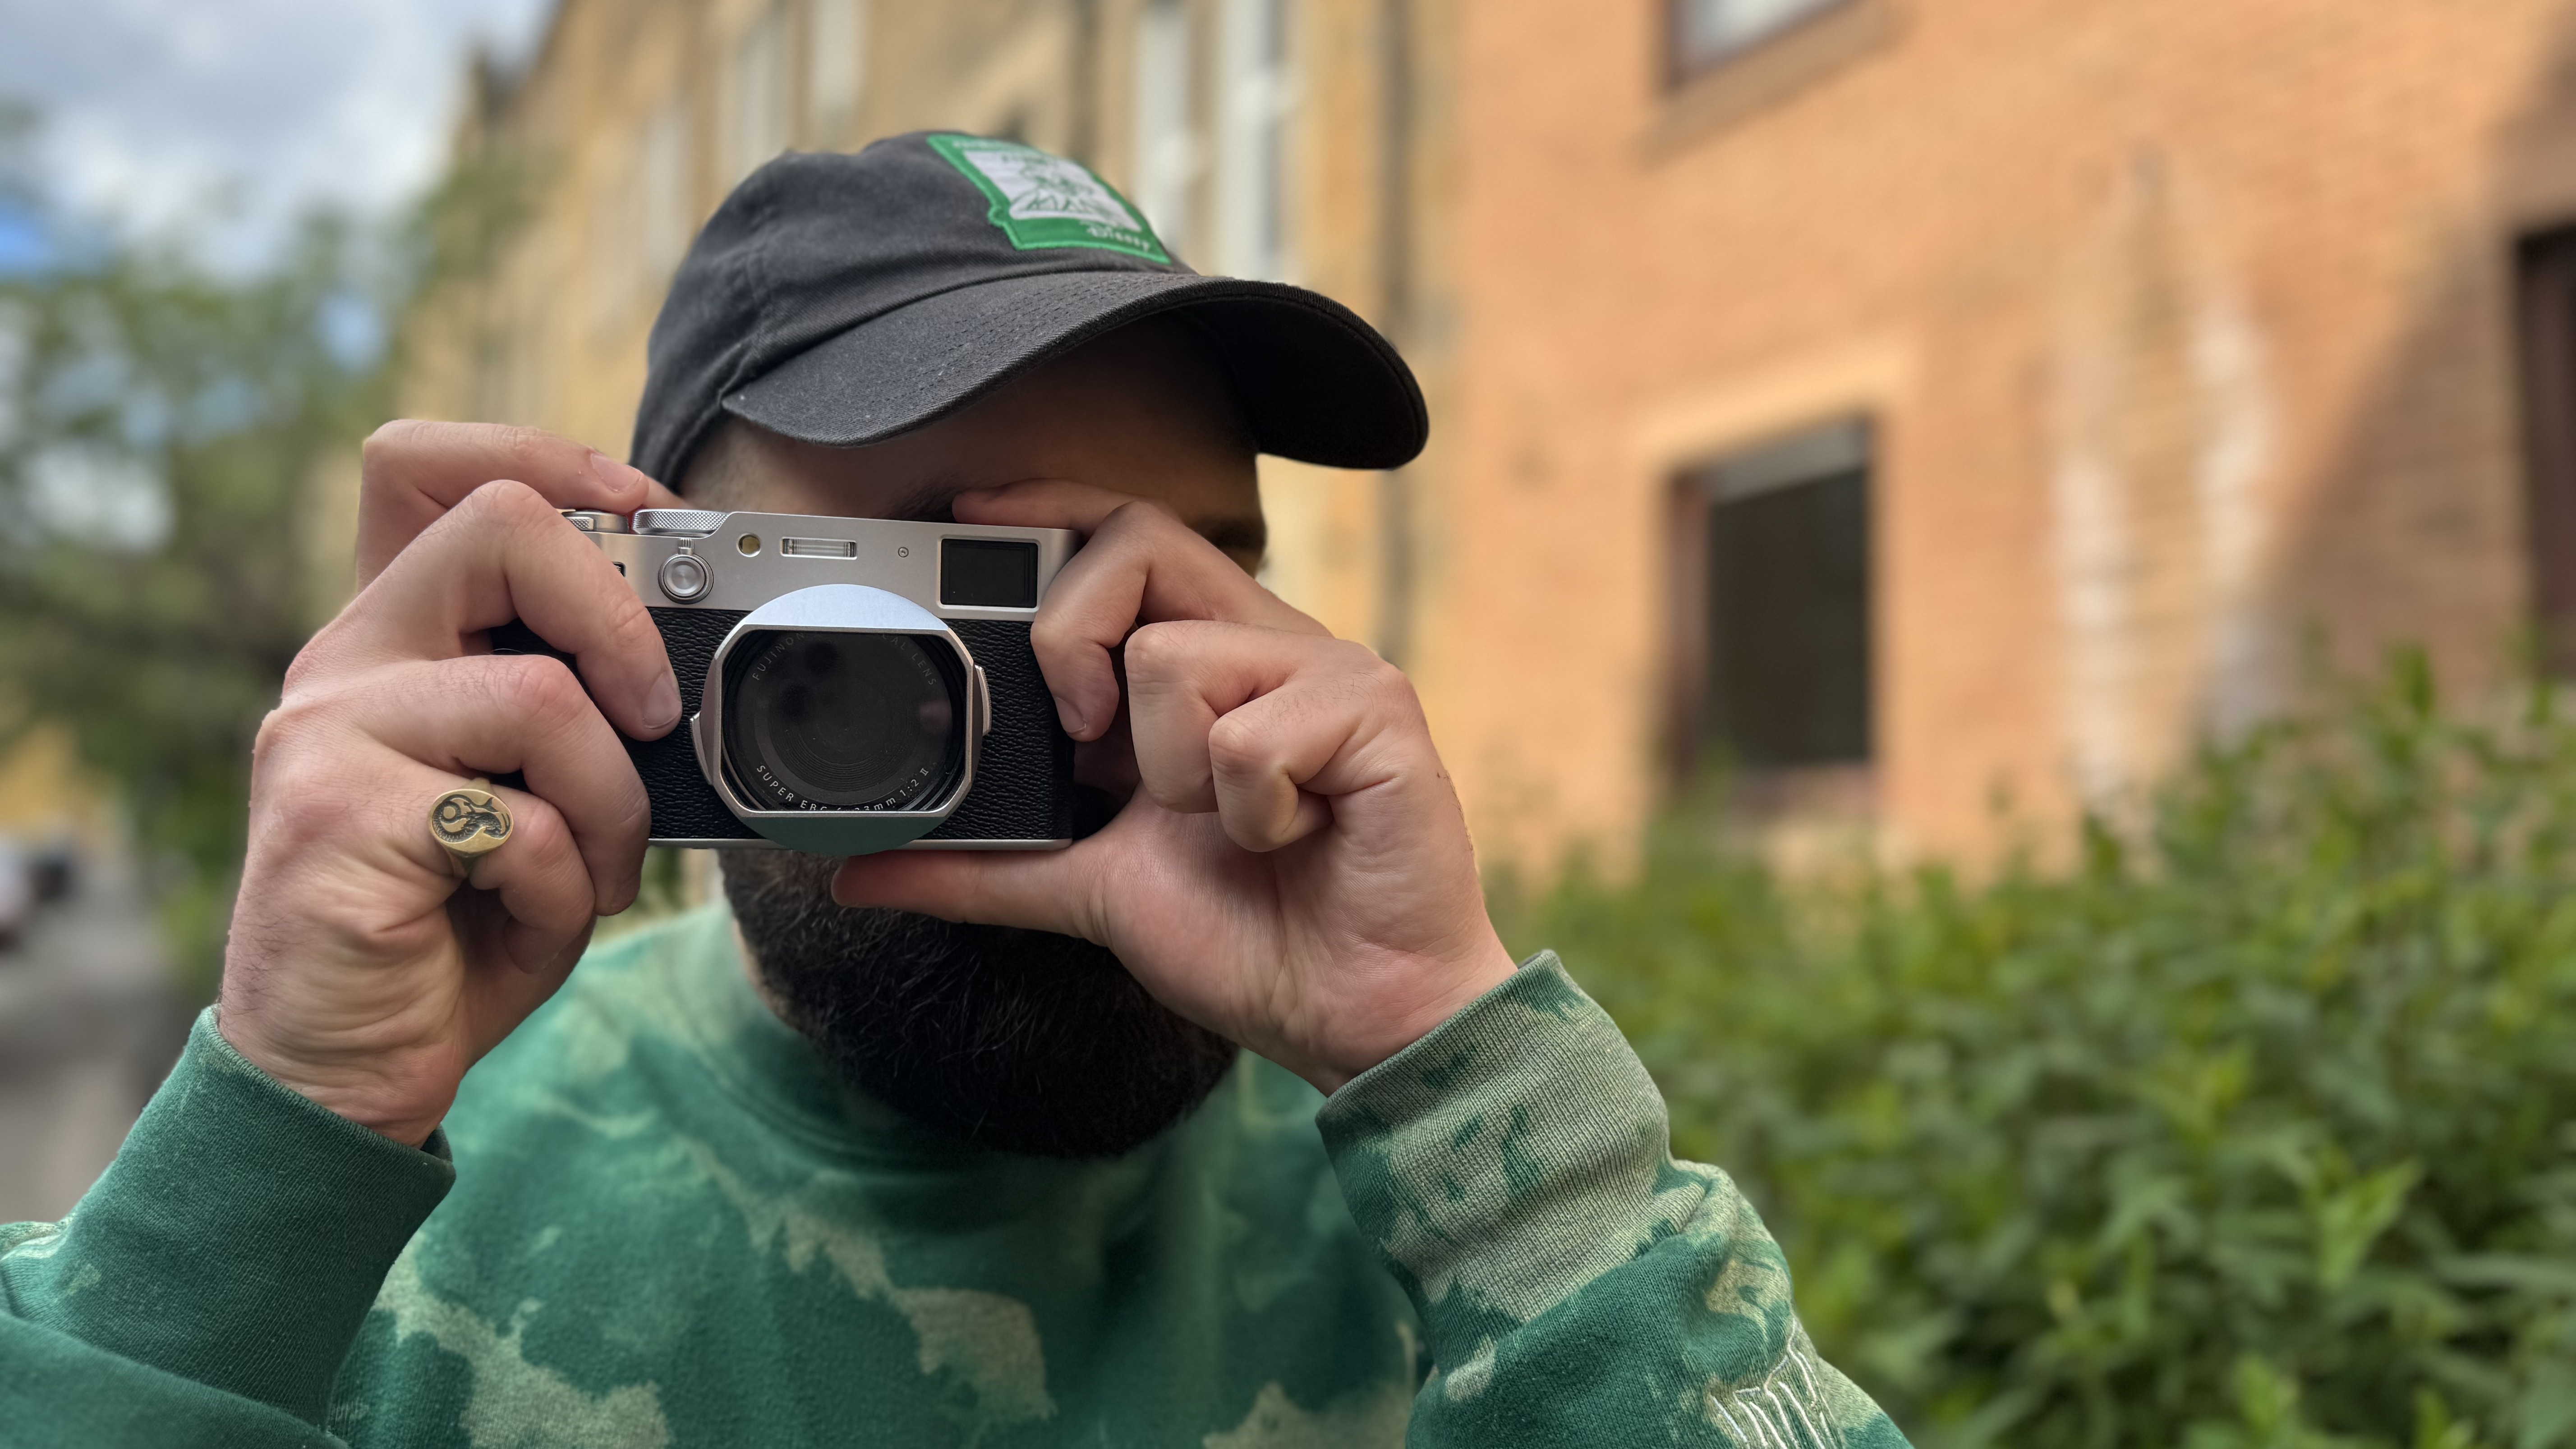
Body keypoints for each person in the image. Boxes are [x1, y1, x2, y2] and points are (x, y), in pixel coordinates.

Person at [0, 134, 1907, 1448]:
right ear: (630, 613)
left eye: (1183, 577)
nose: (1099, 716)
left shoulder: (1460, 1229)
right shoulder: (348, 1234)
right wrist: (278, 1138)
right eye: (939, 597)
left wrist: (1454, 1057)